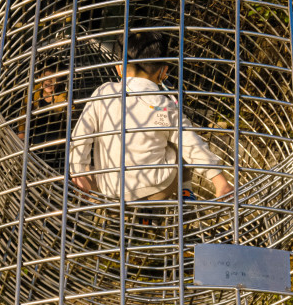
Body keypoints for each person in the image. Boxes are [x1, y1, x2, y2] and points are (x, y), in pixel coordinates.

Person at [69, 28, 233, 201]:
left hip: (112, 190)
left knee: (92, 167)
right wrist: (219, 181)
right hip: (158, 188)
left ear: (119, 68)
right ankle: (185, 191)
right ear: (163, 71)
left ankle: (113, 210)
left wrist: (78, 171)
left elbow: (81, 136)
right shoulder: (165, 105)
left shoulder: (104, 93)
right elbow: (192, 144)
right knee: (179, 140)